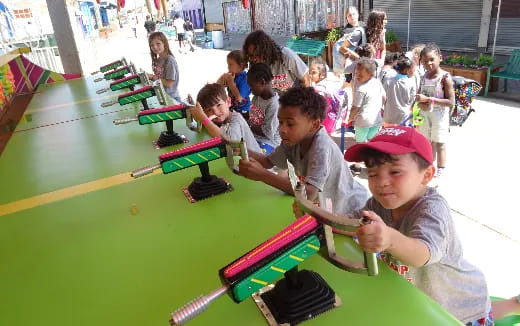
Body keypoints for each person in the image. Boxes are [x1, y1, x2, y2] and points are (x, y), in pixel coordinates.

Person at [344, 126, 492, 325]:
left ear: (427, 175)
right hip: (418, 300)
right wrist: (316, 216)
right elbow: (349, 222)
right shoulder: (378, 203)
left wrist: (390, 239)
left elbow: (423, 254)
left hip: (457, 311)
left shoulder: (432, 209)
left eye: (395, 172)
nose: (381, 182)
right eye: (372, 174)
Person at [238, 87, 369, 216]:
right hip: (328, 208)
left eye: (290, 124)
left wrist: (263, 175)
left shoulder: (321, 147)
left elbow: (309, 193)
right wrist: (239, 149)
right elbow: (267, 162)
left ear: (314, 125)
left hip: (352, 210)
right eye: (281, 122)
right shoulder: (292, 140)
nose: (282, 129)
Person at [415, 43, 455, 183]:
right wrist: (419, 101)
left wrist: (430, 100)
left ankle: (441, 170)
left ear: (440, 58)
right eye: (425, 61)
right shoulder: (424, 76)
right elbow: (420, 93)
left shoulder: (445, 78)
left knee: (439, 142)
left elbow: (451, 102)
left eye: (432, 59)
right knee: (428, 141)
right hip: (426, 114)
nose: (429, 63)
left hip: (440, 116)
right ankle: (429, 166)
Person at [188, 83, 261, 153]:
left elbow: (229, 143)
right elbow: (202, 122)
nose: (215, 112)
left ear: (228, 102)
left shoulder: (236, 120)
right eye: (209, 110)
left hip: (255, 161)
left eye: (219, 105)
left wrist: (203, 118)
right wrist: (197, 112)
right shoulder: (217, 120)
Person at [243, 30, 307, 94]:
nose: (254, 59)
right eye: (251, 55)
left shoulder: (286, 56)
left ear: (266, 50)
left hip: (293, 98)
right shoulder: (254, 65)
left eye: (257, 55)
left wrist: (300, 100)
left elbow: (306, 80)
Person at [247, 63, 281, 154]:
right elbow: (252, 117)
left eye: (251, 86)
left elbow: (268, 133)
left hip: (269, 143)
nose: (250, 89)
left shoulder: (274, 104)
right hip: (254, 136)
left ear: (262, 82)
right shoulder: (256, 97)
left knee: (252, 157)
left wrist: (248, 126)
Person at [306, 57, 342, 134]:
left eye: (313, 73)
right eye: (309, 72)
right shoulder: (327, 85)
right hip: (331, 120)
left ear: (322, 75)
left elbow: (316, 108)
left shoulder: (319, 90)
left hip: (323, 121)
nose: (310, 75)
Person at [383, 55, 417, 126]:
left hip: (389, 114)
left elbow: (384, 95)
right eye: (413, 70)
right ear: (407, 70)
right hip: (403, 116)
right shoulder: (411, 83)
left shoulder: (390, 80)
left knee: (389, 135)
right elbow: (412, 99)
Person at [147, 32, 181, 102]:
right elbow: (159, 78)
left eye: (158, 44)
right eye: (152, 45)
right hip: (163, 96)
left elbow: (169, 83)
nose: (155, 47)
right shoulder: (158, 59)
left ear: (164, 43)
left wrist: (152, 77)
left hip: (172, 98)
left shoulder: (169, 60)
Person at [216, 50, 251, 118]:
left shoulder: (245, 79)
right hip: (232, 107)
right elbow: (217, 87)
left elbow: (239, 99)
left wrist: (231, 83)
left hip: (242, 111)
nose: (228, 67)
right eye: (228, 64)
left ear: (240, 66)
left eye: (230, 64)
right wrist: (221, 80)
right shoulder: (232, 76)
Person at [336, 7, 366, 82]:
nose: (352, 17)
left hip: (365, 58)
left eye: (354, 14)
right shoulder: (345, 31)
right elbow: (342, 49)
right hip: (352, 60)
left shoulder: (364, 25)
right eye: (349, 15)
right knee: (351, 82)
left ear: (358, 14)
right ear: (346, 17)